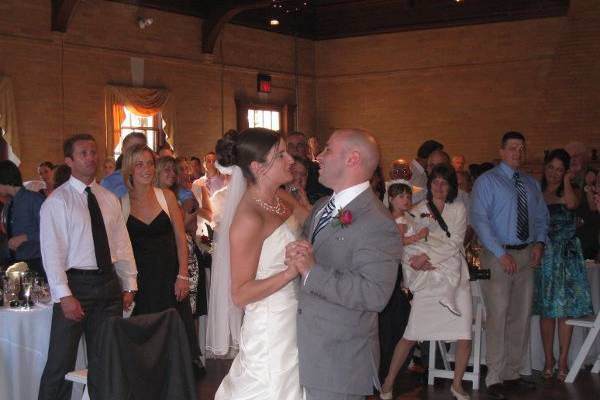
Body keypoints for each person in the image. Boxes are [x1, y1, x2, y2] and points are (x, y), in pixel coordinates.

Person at [285, 128, 402, 400]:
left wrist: (313, 271)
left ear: (352, 159)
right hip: (305, 347)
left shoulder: (377, 222)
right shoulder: (323, 206)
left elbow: (375, 294)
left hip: (338, 360)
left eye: (327, 150)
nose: (319, 158)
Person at [38, 134, 137, 400]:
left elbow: (121, 244)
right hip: (75, 286)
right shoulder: (57, 203)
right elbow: (52, 254)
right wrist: (65, 295)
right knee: (61, 361)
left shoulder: (107, 198)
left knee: (105, 360)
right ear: (68, 161)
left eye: (93, 152)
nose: (91, 158)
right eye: (83, 153)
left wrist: (129, 284)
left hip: (108, 285)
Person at [214, 128, 309, 399]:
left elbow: (314, 228)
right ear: (258, 167)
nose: (290, 159)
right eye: (280, 155)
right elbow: (240, 293)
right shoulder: (249, 218)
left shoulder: (283, 198)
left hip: (297, 316)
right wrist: (290, 272)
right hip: (271, 326)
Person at [381, 165, 473, 400]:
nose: (439, 186)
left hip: (453, 273)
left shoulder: (458, 208)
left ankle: (457, 384)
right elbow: (402, 242)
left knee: (464, 333)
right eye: (436, 182)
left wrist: (428, 257)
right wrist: (414, 261)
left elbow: (455, 243)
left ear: (452, 185)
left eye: (445, 182)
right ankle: (388, 384)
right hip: (427, 277)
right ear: (430, 184)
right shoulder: (416, 209)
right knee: (411, 333)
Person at [470, 131, 549, 400]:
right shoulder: (487, 181)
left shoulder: (531, 183)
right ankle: (494, 376)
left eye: (522, 148)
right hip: (498, 255)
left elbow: (541, 217)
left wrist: (539, 244)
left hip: (526, 254)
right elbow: (480, 220)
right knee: (498, 314)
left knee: (521, 314)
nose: (518, 152)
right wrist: (500, 253)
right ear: (501, 151)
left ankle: (512, 373)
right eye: (513, 148)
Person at [121, 144, 203, 372]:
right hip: (142, 282)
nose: (146, 169)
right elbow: (121, 250)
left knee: (175, 342)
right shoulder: (122, 203)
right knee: (146, 346)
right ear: (129, 169)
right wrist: (127, 286)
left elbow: (180, 238)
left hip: (170, 278)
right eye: (139, 164)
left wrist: (183, 275)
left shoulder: (166, 196)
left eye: (150, 163)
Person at [533, 149, 593, 380]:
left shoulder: (571, 190)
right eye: (551, 168)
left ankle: (564, 359)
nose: (554, 173)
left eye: (560, 169)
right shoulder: (536, 191)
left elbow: (570, 204)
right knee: (547, 310)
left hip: (566, 255)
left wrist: (567, 180)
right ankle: (549, 359)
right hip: (545, 253)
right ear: (544, 168)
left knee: (563, 310)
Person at [0, 160, 46, 278]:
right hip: (13, 264)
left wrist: (25, 237)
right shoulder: (8, 204)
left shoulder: (34, 200)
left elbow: (51, 232)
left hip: (35, 264)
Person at [287, 131, 332, 204]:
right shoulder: (279, 172)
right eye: (291, 146)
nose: (295, 149)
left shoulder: (320, 171)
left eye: (299, 145)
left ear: (307, 148)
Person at [101, 131, 147, 198]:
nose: (136, 153)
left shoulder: (154, 179)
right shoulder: (109, 183)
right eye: (132, 149)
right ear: (123, 150)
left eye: (141, 149)